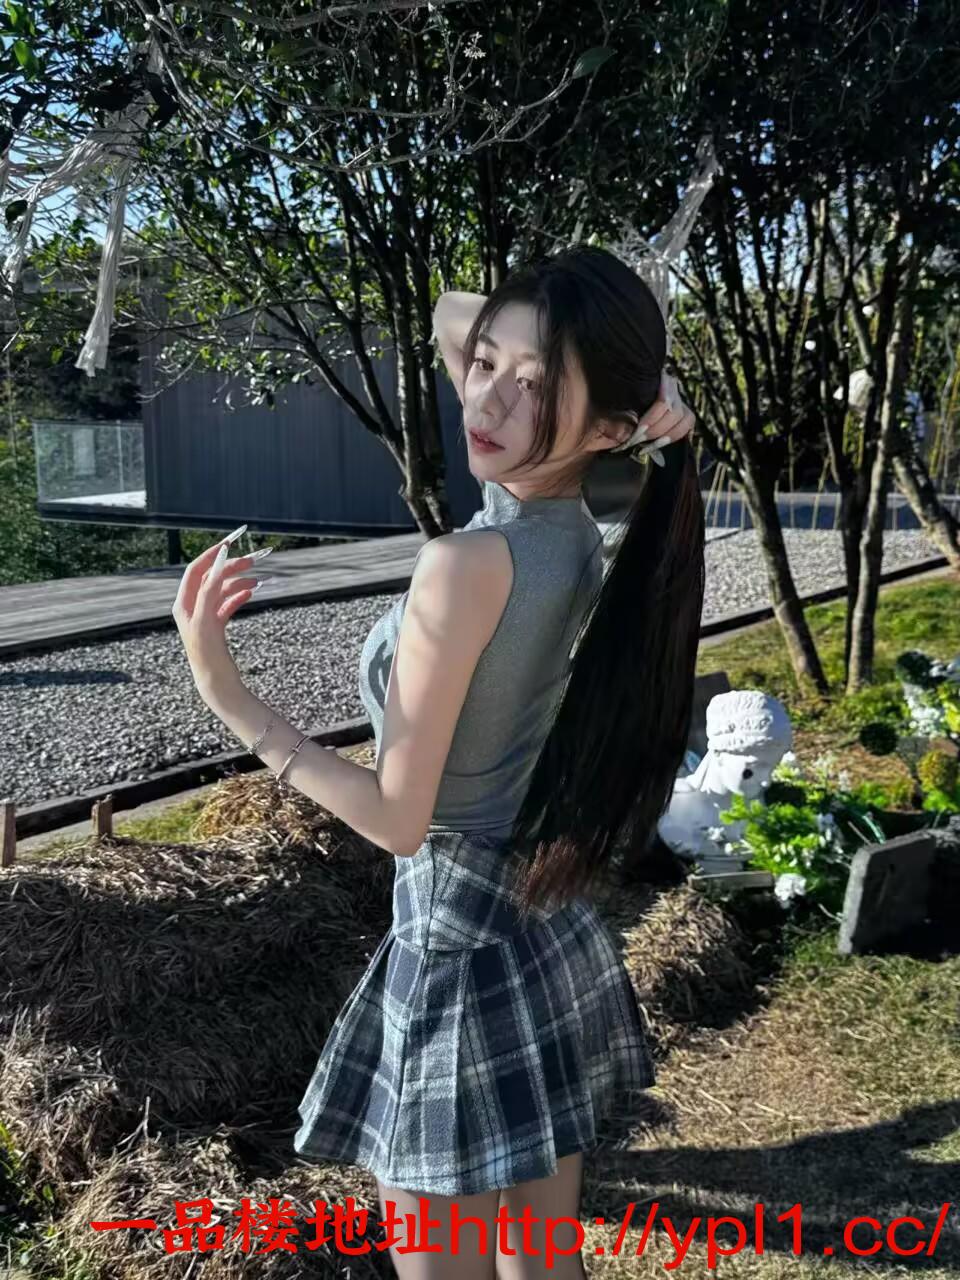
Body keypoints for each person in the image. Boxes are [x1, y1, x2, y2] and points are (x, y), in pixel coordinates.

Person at [173, 244, 704, 1279]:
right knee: (541, 1263)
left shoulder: (465, 564)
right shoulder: (577, 530)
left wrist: (223, 689)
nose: (488, 398)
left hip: (454, 946)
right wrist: (622, 387)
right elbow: (457, 315)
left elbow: (396, 817)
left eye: (535, 385)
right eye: (488, 364)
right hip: (536, 923)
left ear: (604, 428)